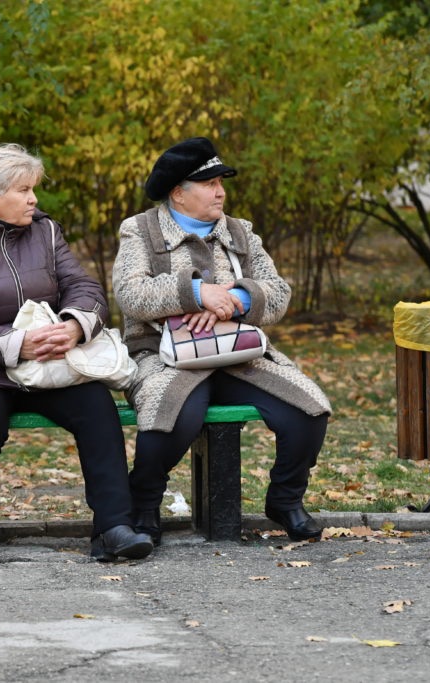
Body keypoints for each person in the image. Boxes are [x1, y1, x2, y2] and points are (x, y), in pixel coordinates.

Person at [0, 144, 153, 561]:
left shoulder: (44, 231)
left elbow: (84, 287)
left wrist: (74, 326)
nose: (34, 199)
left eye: (33, 189)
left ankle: (114, 526)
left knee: (96, 405)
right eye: (24, 190)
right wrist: (15, 343)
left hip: (47, 362)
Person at [113, 137, 332, 543]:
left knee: (308, 410)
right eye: (210, 183)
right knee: (169, 416)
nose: (221, 192)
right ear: (178, 193)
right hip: (163, 355)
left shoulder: (240, 231)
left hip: (237, 353)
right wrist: (195, 294)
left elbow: (278, 293)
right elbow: (130, 294)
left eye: (221, 182)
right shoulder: (140, 231)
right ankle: (143, 506)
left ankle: (285, 499)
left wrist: (234, 299)